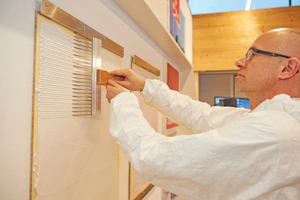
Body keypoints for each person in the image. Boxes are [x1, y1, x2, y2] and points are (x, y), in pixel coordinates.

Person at [105, 28, 300, 200]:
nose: (239, 62)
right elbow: (201, 114)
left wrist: (123, 102)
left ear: (288, 68)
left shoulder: (275, 132)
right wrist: (146, 87)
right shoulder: (277, 116)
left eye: (252, 54)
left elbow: (154, 158)